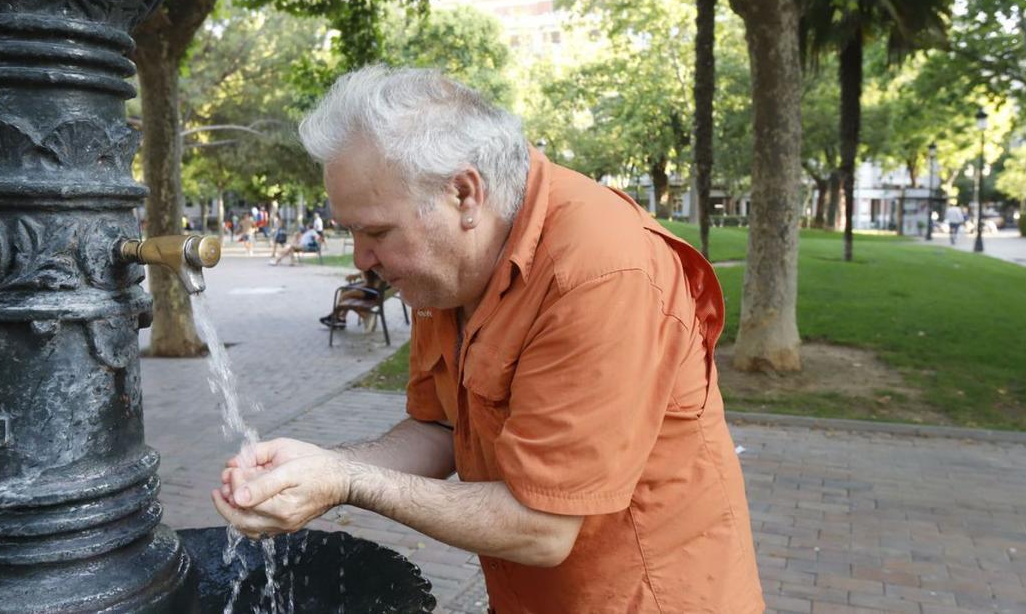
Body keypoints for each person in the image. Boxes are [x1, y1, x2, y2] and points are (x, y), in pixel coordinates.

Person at [212, 66, 763, 613]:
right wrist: (316, 467)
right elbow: (440, 427)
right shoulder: (450, 268)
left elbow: (542, 526)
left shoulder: (602, 271)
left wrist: (348, 481)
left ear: (464, 194)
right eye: (351, 231)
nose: (362, 260)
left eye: (377, 231)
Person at [319, 270, 388, 330]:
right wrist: (356, 276)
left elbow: (367, 284)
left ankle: (366, 316)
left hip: (373, 292)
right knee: (345, 290)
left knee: (345, 296)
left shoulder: (366, 266)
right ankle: (340, 318)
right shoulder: (372, 265)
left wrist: (355, 290)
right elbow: (370, 276)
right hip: (377, 290)